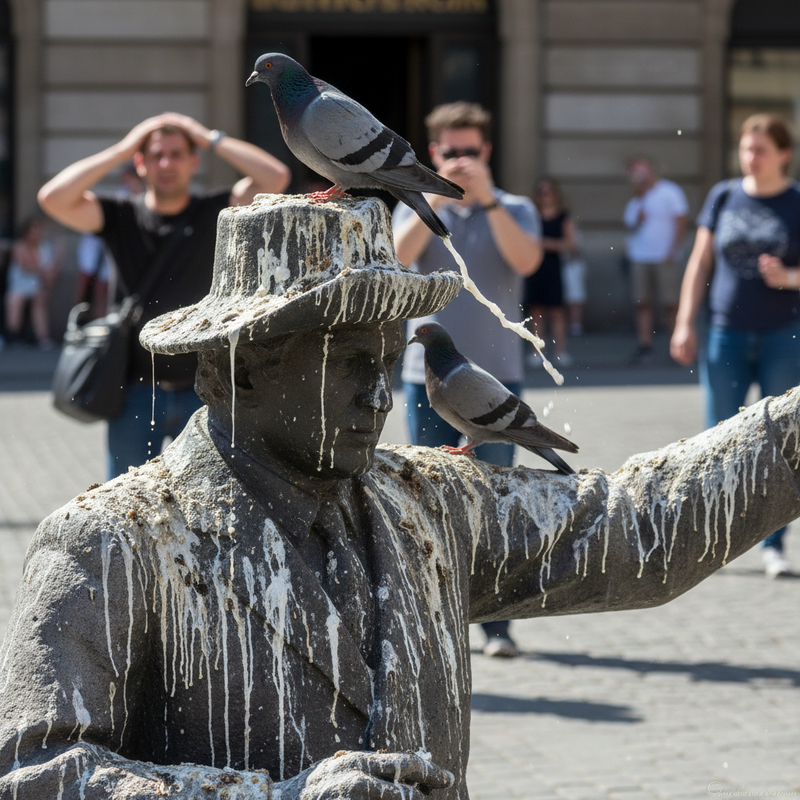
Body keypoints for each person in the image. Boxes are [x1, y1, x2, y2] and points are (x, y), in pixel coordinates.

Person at [2, 194, 800, 800]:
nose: (378, 395)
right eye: (346, 361)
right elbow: (37, 771)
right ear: (231, 371)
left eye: (386, 362)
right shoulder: (115, 541)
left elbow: (637, 527)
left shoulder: (429, 502)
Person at [37, 112, 290, 479]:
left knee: (212, 500)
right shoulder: (119, 215)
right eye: (155, 155)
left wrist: (206, 136)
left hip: (206, 389)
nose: (166, 163)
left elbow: (276, 177)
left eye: (176, 153)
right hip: (136, 392)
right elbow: (53, 198)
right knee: (127, 505)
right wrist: (124, 147)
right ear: (140, 164)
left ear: (193, 162)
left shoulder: (216, 211)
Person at [393, 101, 542, 658]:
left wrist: (489, 199)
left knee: (494, 499)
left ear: (488, 151)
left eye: (470, 152)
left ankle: (496, 625)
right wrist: (434, 194)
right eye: (450, 152)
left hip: (497, 380)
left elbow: (526, 261)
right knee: (424, 498)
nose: (461, 160)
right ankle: (432, 621)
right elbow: (398, 257)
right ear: (434, 153)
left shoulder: (517, 207)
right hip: (424, 380)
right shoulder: (416, 206)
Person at [670, 113, 800, 579]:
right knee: (717, 438)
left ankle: (773, 544)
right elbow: (699, 263)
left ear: (783, 154)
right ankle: (712, 538)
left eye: (761, 149)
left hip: (783, 336)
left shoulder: (796, 201)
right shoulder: (723, 195)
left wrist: (789, 278)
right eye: (746, 148)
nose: (751, 157)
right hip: (725, 332)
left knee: (779, 441)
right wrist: (685, 321)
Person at [623, 157, 689, 363]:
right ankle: (645, 346)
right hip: (640, 256)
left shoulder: (670, 192)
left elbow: (681, 221)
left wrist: (673, 249)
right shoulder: (636, 200)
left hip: (665, 256)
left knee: (672, 303)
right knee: (642, 303)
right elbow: (630, 224)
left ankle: (677, 345)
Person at [524, 177, 576, 367]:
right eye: (541, 192)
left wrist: (546, 244)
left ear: (555, 194)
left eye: (548, 192)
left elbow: (570, 244)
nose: (545, 196)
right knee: (535, 310)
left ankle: (560, 351)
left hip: (553, 267)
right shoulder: (531, 215)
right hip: (534, 266)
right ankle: (536, 352)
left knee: (557, 311)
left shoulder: (563, 216)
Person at [3, 216, 58, 349]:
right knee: (15, 299)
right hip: (18, 286)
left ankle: (43, 338)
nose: (36, 234)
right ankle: (13, 336)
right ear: (26, 232)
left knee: (39, 300)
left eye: (38, 230)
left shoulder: (45, 247)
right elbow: (27, 266)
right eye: (33, 231)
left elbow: (50, 273)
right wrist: (42, 270)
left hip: (37, 286)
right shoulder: (19, 246)